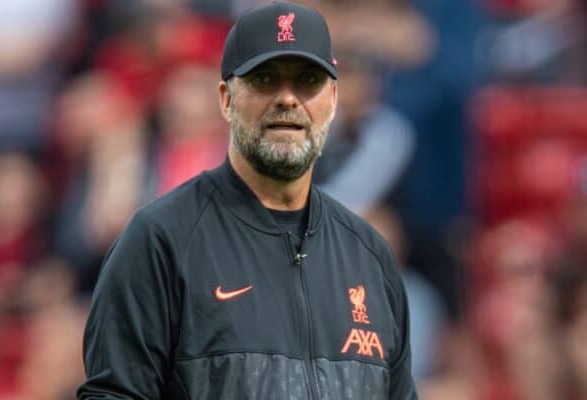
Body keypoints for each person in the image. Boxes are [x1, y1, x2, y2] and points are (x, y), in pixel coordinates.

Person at [78, 2, 417, 399]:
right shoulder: (161, 241)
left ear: (334, 99)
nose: (287, 99)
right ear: (225, 98)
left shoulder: (370, 257)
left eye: (308, 80)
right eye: (265, 79)